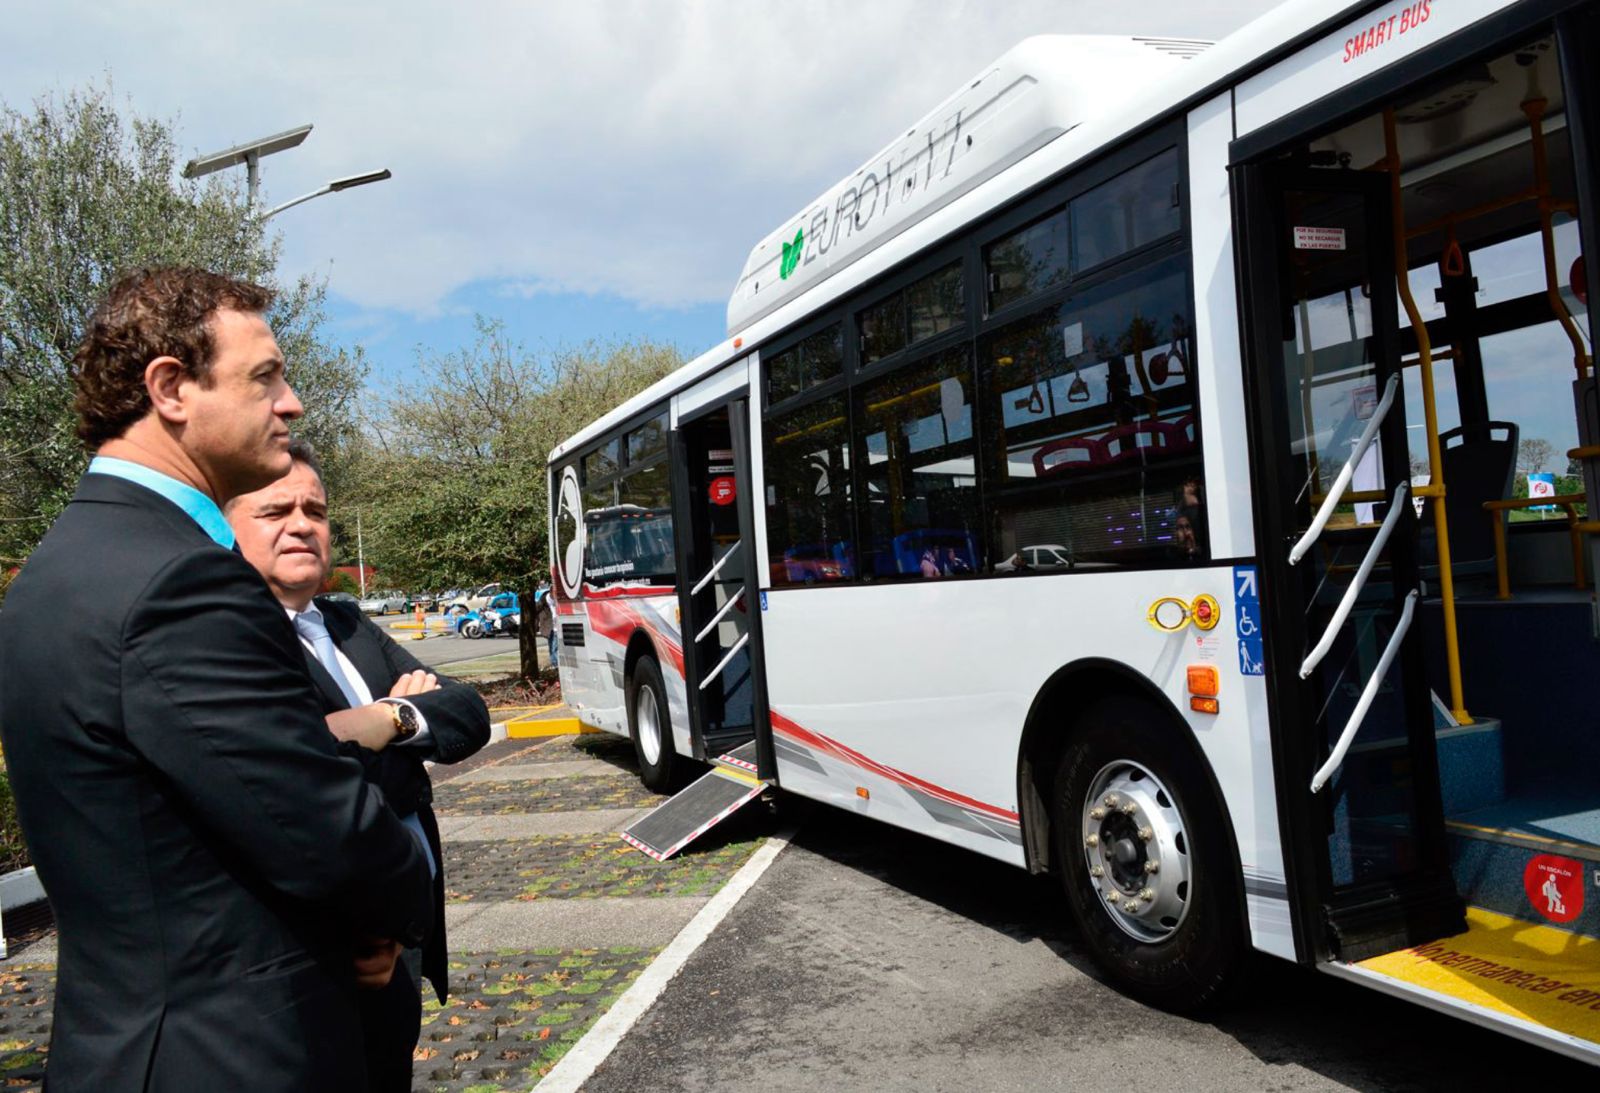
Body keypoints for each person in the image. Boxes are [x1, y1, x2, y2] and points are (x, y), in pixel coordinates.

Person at [0, 268, 433, 1092]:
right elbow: (326, 832)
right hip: (232, 1055)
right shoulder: (179, 580)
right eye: (264, 376)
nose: (293, 401)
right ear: (170, 388)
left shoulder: (57, 569)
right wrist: (394, 902)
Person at [227, 441, 490, 1092]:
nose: (301, 523)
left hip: (401, 940)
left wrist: (386, 720)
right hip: (328, 951)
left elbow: (466, 713)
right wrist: (402, 736)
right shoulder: (236, 637)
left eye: (315, 508)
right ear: (226, 525)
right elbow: (303, 781)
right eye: (275, 509)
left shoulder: (344, 621)